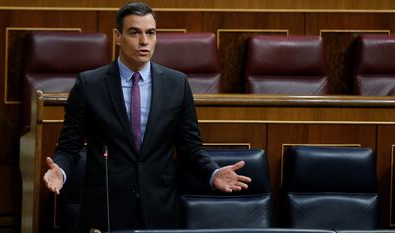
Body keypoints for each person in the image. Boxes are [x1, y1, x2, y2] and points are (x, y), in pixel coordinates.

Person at [43, 2, 251, 232]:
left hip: (159, 208)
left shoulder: (177, 84)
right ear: (117, 36)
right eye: (134, 32)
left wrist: (213, 172)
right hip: (106, 208)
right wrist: (60, 172)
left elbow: (190, 147)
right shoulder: (89, 84)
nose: (144, 41)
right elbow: (69, 147)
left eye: (150, 33)